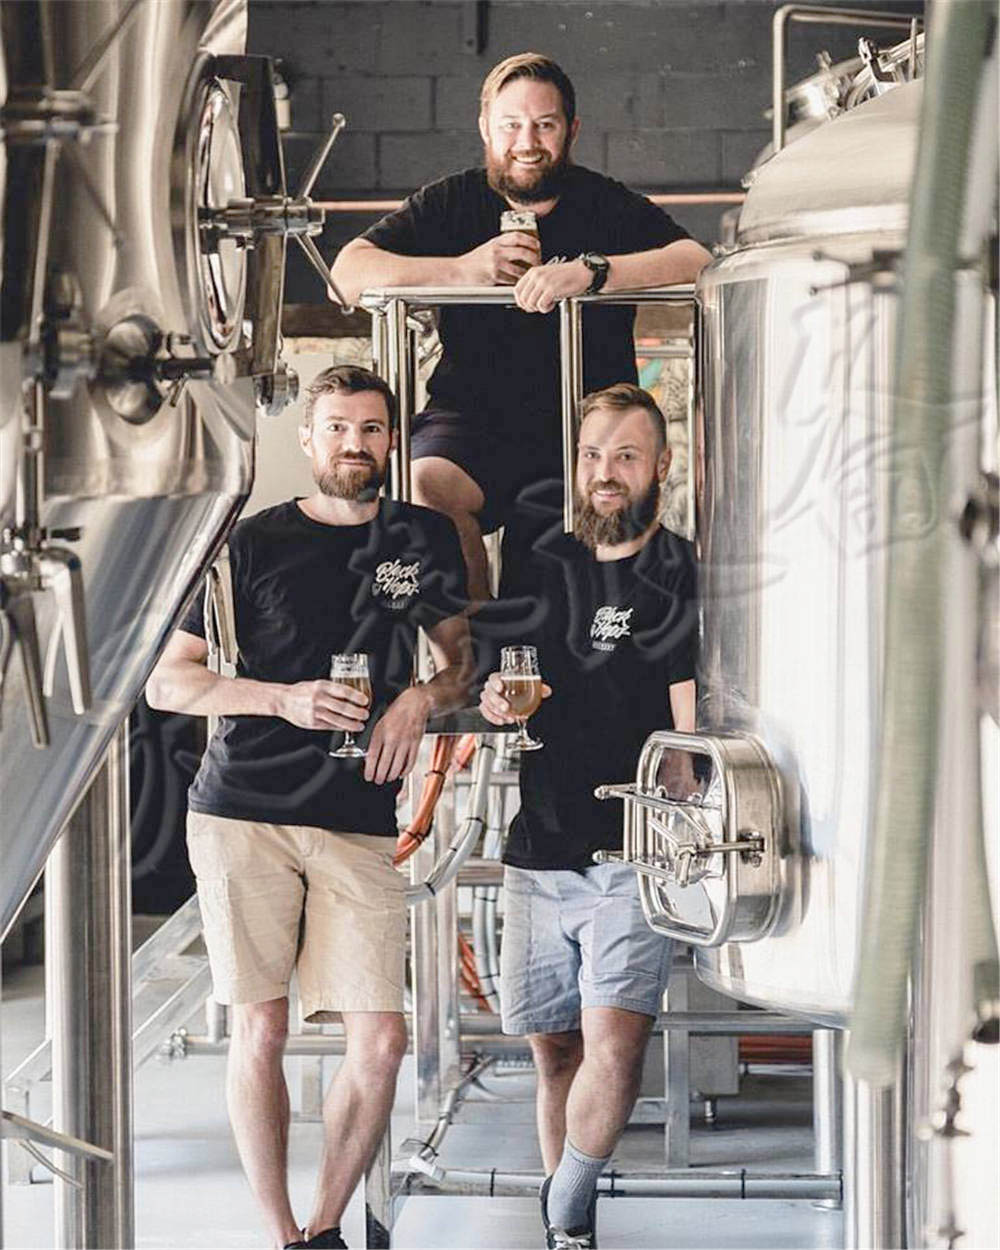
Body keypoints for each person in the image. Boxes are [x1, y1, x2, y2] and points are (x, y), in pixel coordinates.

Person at [146, 365, 471, 1250]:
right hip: (243, 811)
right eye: (337, 428)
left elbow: (462, 662)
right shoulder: (250, 543)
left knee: (383, 1040)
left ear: (392, 441)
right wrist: (282, 699)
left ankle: (323, 1227)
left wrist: (420, 699)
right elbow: (169, 682)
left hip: (357, 814)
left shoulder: (423, 538)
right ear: (308, 439)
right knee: (261, 1026)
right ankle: (283, 1234)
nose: (353, 445)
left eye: (370, 429)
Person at [331, 52, 711, 600]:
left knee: (547, 571)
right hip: (471, 415)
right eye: (511, 125)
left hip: (581, 421)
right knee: (422, 485)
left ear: (571, 130)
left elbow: (698, 261)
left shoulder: (605, 202)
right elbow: (345, 275)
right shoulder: (450, 201)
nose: (526, 141)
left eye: (544, 125)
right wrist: (465, 270)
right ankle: (477, 642)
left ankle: (546, 644)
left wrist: (592, 272)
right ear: (485, 128)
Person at [478, 383, 698, 1250]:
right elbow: (504, 675)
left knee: (615, 1048)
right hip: (539, 841)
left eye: (626, 456)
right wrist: (497, 697)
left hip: (633, 847)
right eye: (592, 455)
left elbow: (688, 703)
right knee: (555, 1055)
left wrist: (687, 775)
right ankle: (568, 1233)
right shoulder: (538, 558)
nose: (605, 472)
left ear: (661, 466)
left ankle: (563, 1203)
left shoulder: (679, 566)